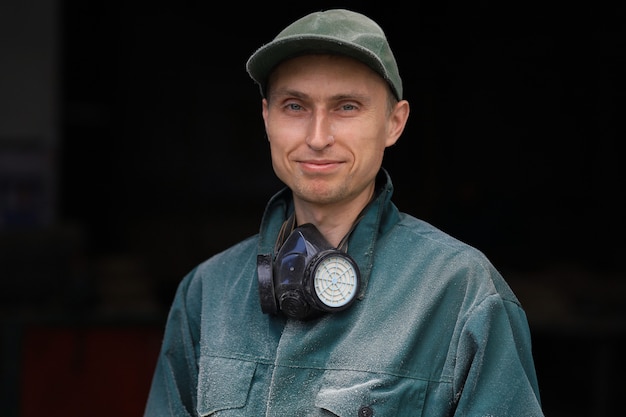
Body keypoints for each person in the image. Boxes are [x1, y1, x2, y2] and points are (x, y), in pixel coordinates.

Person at [144, 8, 544, 416]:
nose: (318, 138)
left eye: (347, 107)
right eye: (295, 106)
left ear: (394, 122)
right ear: (266, 117)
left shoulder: (459, 290)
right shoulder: (208, 292)